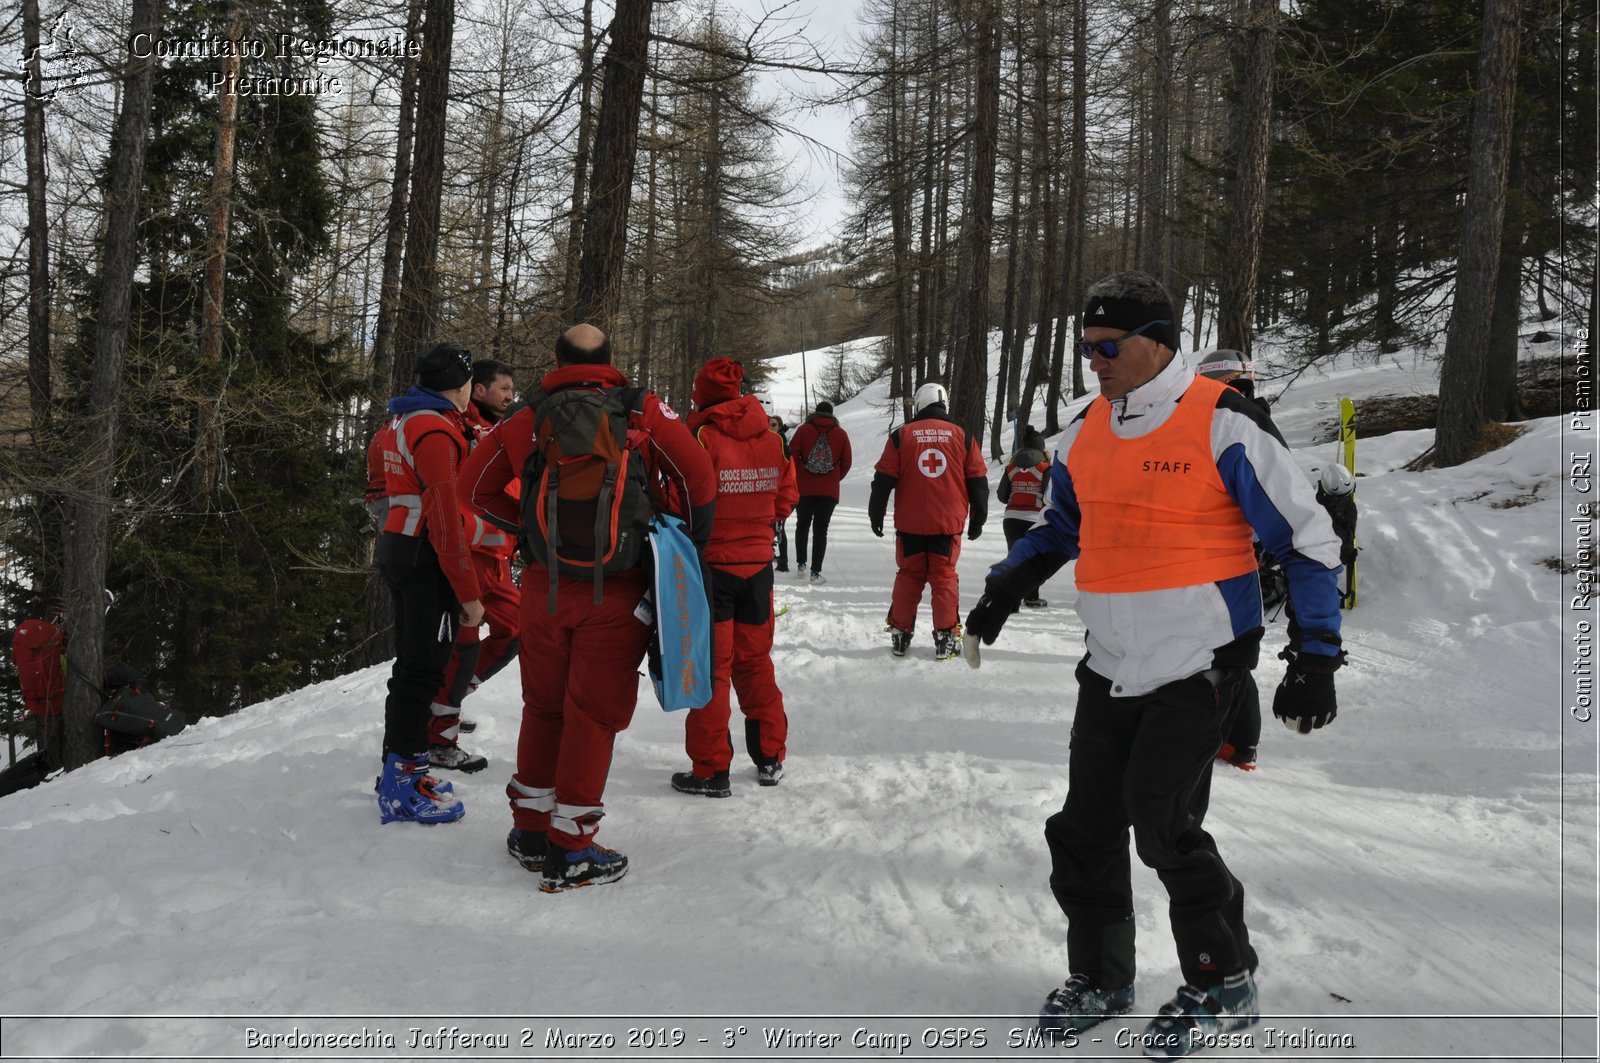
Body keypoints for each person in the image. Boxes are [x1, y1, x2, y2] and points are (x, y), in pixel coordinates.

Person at [963, 272, 1346, 1054]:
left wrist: (1316, 655)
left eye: (1109, 347)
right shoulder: (1087, 433)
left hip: (1198, 664)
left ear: (1159, 344)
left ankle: (1223, 978)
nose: (1094, 361)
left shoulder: (1223, 422)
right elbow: (1059, 528)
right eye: (1086, 349)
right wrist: (1004, 589)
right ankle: (1103, 976)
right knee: (1084, 826)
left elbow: (1306, 540)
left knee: (1163, 823)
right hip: (1109, 664)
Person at [459, 323, 716, 892]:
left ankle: (530, 830)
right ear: (611, 360)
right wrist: (678, 550)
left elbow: (470, 491)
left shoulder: (526, 415)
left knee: (544, 707)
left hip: (544, 589)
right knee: (593, 715)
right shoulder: (642, 412)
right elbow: (700, 481)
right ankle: (572, 849)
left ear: (556, 360)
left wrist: (526, 534)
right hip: (618, 591)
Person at [671, 359, 798, 797]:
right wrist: (760, 526)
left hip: (712, 570)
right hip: (758, 569)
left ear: (702, 395)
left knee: (713, 670)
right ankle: (770, 757)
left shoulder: (699, 437)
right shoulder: (773, 439)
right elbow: (787, 497)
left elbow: (679, 499)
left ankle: (710, 770)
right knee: (755, 662)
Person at [373, 343, 484, 826]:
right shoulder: (436, 429)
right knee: (424, 669)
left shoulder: (401, 420)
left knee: (414, 664)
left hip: (401, 546)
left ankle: (400, 766)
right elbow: (444, 516)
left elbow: (380, 487)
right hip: (425, 556)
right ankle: (402, 782)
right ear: (459, 386)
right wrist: (468, 592)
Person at [425, 358, 523, 772]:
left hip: (498, 554)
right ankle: (439, 735)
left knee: (515, 630)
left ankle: (450, 700)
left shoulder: (510, 427)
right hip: (464, 554)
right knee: (462, 643)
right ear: (478, 390)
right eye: (502, 388)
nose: (510, 396)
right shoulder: (455, 425)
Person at [868, 382, 988, 661]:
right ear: (944, 403)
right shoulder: (963, 435)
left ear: (920, 403)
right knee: (943, 577)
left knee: (909, 576)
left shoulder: (901, 436)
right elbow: (978, 480)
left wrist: (876, 513)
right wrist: (978, 517)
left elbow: (883, 479)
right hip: (947, 525)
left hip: (909, 525)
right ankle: (946, 636)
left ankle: (900, 633)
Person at [786, 401, 852, 583]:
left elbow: (792, 455)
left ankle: (801, 565)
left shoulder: (803, 430)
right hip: (828, 492)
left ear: (816, 413)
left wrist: (801, 474)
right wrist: (833, 479)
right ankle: (815, 572)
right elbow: (846, 462)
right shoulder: (841, 434)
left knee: (803, 524)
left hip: (804, 488)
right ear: (832, 414)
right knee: (821, 529)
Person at [997, 425, 1052, 609]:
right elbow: (1050, 495)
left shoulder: (1011, 468)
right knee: (1034, 559)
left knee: (1014, 558)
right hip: (1035, 519)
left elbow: (1001, 495)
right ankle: (1031, 597)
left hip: (1011, 519)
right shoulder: (1045, 469)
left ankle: (1011, 600)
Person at [768, 414, 792, 572]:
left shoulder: (782, 442)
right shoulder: (767, 440)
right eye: (769, 425)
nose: (771, 427)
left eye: (774, 425)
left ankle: (783, 560)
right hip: (769, 487)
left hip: (779, 490)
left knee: (778, 526)